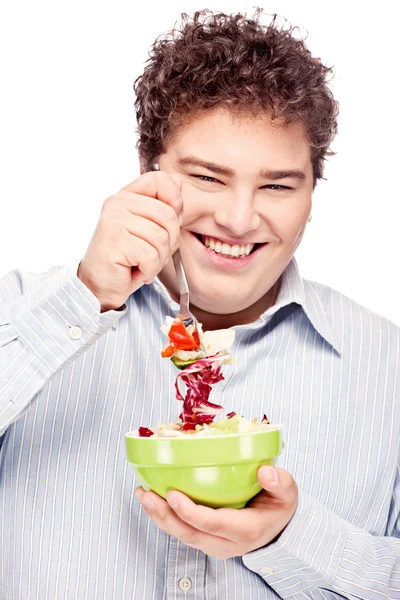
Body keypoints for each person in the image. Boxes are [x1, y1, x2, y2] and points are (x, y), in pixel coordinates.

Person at [0, 8, 399, 599]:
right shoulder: (25, 311)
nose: (238, 220)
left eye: (278, 185)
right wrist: (86, 298)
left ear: (314, 189)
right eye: (209, 178)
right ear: (147, 169)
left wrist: (290, 536)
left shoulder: (387, 364)